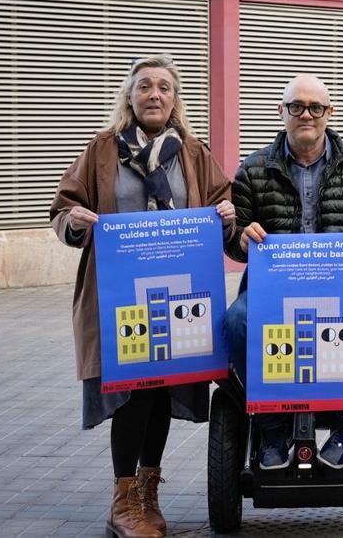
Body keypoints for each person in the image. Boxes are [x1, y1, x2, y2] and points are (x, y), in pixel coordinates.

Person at [51, 55, 237, 538]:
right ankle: (122, 500)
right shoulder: (102, 150)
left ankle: (147, 495)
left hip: (177, 294)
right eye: (144, 87)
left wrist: (227, 213)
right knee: (133, 392)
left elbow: (223, 200)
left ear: (175, 101)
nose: (154, 94)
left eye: (164, 88)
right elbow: (65, 205)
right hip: (119, 297)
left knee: (161, 390)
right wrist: (73, 222)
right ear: (129, 97)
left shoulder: (193, 153)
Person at [222, 74, 343, 472]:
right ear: (281, 111)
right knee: (235, 322)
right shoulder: (252, 169)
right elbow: (233, 233)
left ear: (329, 113)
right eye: (296, 106)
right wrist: (240, 237)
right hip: (273, 293)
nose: (306, 114)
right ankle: (271, 428)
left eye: (316, 107)